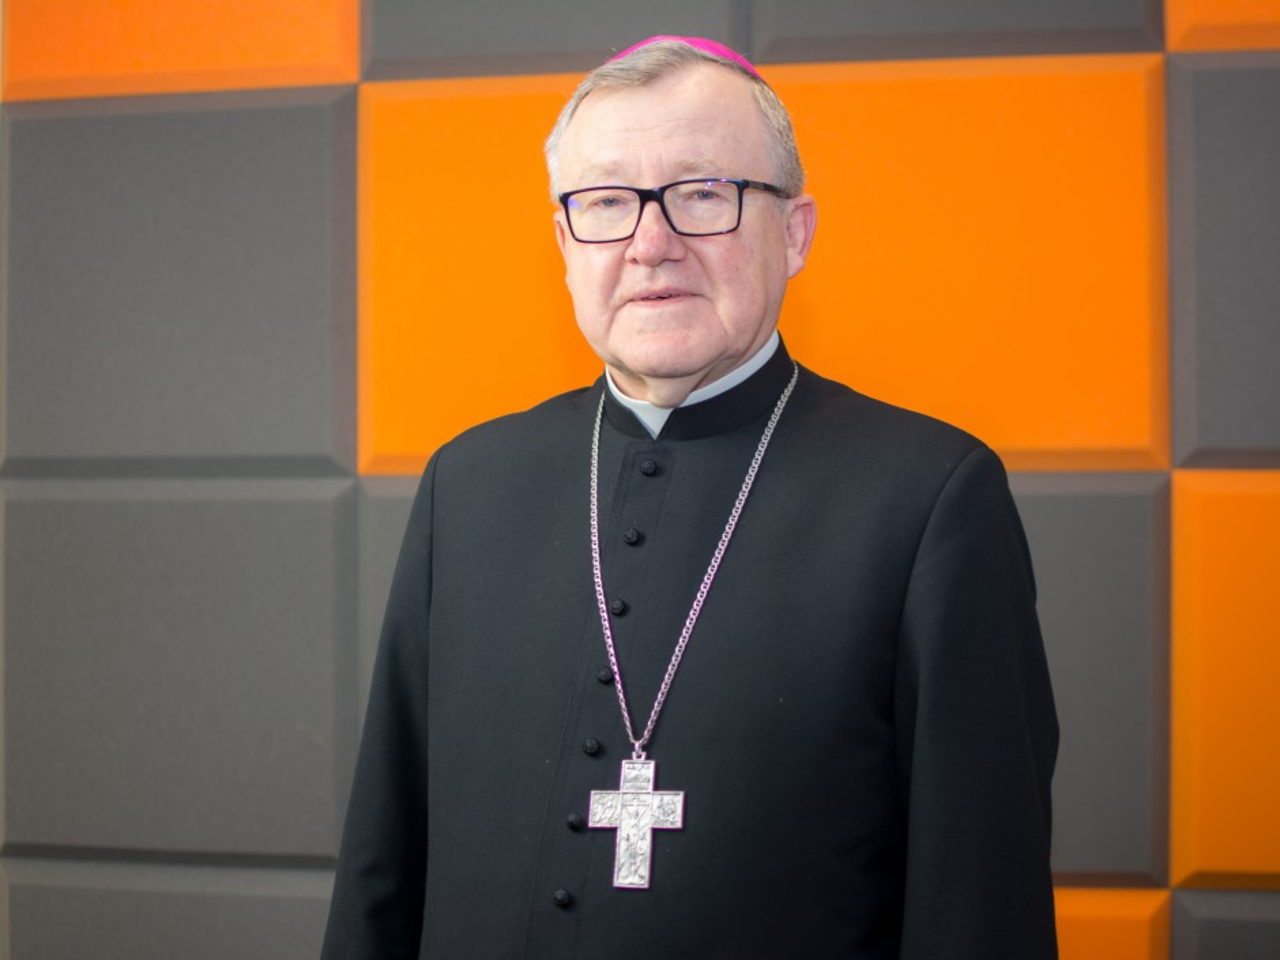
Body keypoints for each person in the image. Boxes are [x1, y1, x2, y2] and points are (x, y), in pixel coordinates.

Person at [322, 35, 1059, 960]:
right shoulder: (468, 482)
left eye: (703, 193)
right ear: (563, 242)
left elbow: (980, 899)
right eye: (605, 202)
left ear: (794, 231)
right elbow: (384, 859)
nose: (650, 244)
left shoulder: (928, 498)